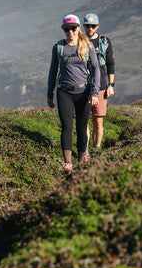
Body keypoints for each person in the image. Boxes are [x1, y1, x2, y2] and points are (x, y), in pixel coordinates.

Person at [47, 14, 100, 172]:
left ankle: (80, 160)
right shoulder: (59, 47)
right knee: (66, 127)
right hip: (64, 92)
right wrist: (49, 94)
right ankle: (68, 162)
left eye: (73, 28)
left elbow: (96, 70)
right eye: (66, 29)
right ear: (63, 30)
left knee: (82, 127)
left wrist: (95, 93)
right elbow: (52, 72)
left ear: (78, 28)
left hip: (84, 92)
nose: (70, 32)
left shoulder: (87, 45)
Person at [83, 13, 115, 149]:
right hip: (83, 86)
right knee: (84, 121)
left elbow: (110, 63)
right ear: (83, 26)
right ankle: (85, 151)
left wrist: (111, 85)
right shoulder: (79, 41)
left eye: (93, 26)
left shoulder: (105, 42)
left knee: (98, 120)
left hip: (101, 85)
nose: (90, 28)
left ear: (97, 26)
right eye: (87, 26)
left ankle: (96, 148)